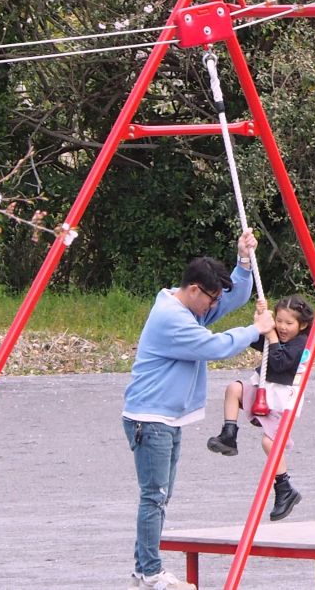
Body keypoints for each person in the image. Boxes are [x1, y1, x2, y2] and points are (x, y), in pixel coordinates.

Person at [121, 234, 272, 590]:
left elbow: (234, 296)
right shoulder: (172, 319)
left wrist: (244, 261)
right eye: (210, 298)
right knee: (154, 496)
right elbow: (213, 346)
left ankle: (146, 568)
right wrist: (255, 330)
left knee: (159, 496)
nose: (213, 305)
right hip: (150, 419)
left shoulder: (190, 307)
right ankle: (149, 572)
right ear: (193, 290)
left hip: (165, 418)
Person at [205, 294, 313, 521]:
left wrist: (272, 334)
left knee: (269, 442)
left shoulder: (303, 344)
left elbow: (280, 362)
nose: (282, 327)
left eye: (289, 323)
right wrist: (260, 322)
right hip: (263, 389)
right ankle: (229, 435)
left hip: (283, 402)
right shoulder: (275, 334)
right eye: (279, 321)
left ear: (302, 325)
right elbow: (255, 340)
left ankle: (285, 488)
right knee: (233, 389)